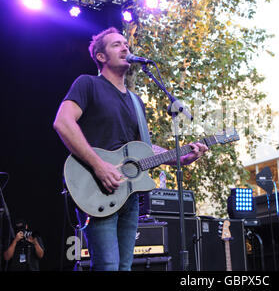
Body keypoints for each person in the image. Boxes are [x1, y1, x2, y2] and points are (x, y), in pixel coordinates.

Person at [53, 27, 208, 271]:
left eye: (126, 44)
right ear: (101, 57)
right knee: (107, 266)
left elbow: (144, 150)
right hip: (97, 186)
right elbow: (62, 122)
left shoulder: (136, 102)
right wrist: (99, 166)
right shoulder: (88, 84)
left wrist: (182, 156)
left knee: (124, 267)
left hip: (129, 195)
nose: (125, 48)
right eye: (116, 45)